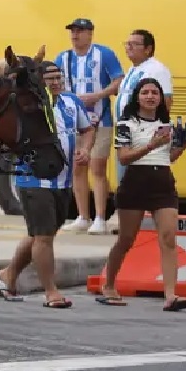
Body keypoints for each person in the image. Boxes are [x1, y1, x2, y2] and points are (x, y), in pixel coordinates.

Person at [0, 61, 94, 308]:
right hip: (34, 178)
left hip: (63, 180)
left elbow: (87, 129)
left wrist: (85, 149)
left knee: (41, 234)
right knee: (44, 236)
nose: (56, 82)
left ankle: (9, 274)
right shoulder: (32, 104)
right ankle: (51, 291)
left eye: (59, 78)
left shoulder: (72, 102)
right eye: (50, 79)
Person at [96, 77, 186, 312]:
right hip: (135, 184)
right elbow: (123, 157)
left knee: (169, 237)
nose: (150, 96)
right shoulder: (125, 124)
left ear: (161, 98)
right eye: (145, 92)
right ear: (137, 97)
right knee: (127, 239)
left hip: (163, 184)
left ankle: (170, 294)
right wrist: (151, 144)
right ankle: (108, 284)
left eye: (155, 93)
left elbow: (167, 157)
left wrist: (183, 144)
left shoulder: (166, 124)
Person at [55, 18, 124, 235]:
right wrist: (70, 98)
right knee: (77, 168)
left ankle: (101, 217)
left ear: (90, 33)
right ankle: (83, 216)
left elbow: (118, 81)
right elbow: (55, 84)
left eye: (80, 31)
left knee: (97, 167)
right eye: (73, 31)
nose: (75, 35)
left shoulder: (104, 54)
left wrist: (98, 95)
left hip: (100, 120)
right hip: (73, 122)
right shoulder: (63, 57)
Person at [113, 29, 173, 188]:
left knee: (134, 183)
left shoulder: (156, 69)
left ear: (148, 49)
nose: (128, 47)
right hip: (128, 133)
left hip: (141, 135)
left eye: (134, 44)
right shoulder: (134, 69)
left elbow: (165, 100)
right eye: (127, 44)